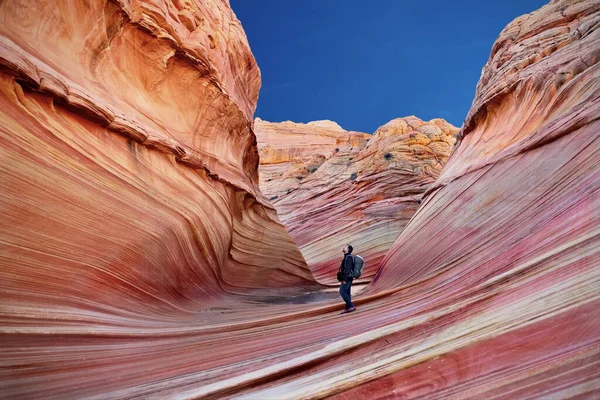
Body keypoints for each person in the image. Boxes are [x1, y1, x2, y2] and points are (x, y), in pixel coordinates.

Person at [338, 244, 356, 314]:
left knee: (342, 291)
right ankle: (347, 307)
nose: (343, 247)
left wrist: (345, 279)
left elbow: (348, 269)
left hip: (347, 278)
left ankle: (351, 306)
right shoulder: (346, 257)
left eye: (345, 247)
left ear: (348, 250)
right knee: (347, 293)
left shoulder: (349, 257)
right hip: (347, 277)